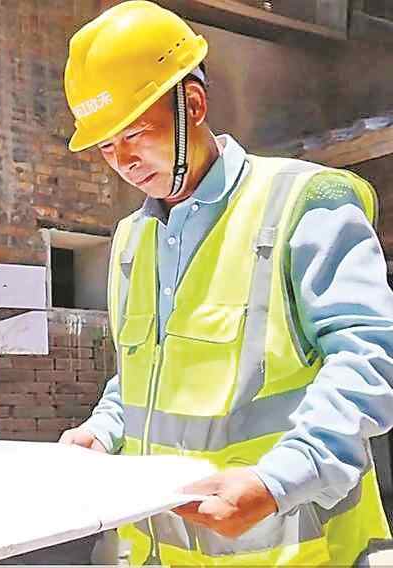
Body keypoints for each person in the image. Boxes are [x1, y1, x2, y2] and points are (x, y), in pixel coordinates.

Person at [58, 2, 393, 565]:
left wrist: (278, 480)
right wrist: (106, 426)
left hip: (298, 552)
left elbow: (371, 356)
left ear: (192, 105)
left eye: (135, 133)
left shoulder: (303, 204)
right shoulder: (131, 240)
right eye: (107, 146)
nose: (124, 161)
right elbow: (144, 376)